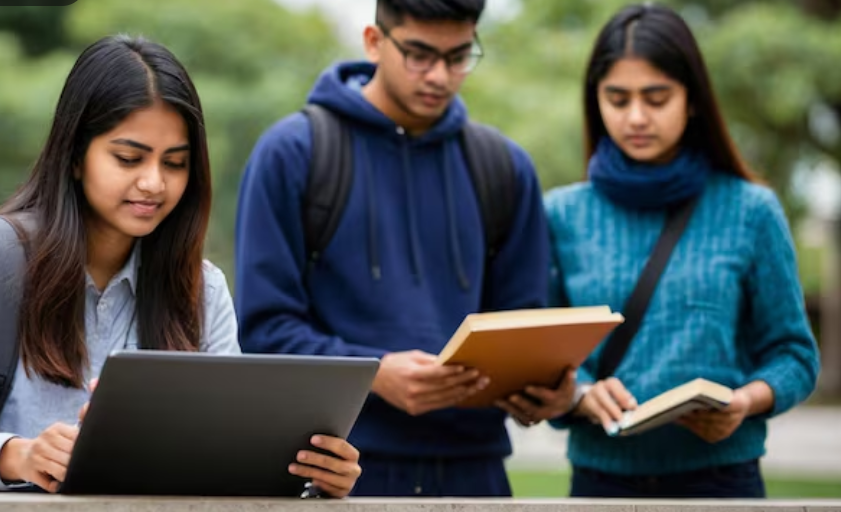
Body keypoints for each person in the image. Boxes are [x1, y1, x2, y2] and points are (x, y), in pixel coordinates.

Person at [0, 35, 361, 497]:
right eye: (129, 158)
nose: (154, 183)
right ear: (75, 156)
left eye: (175, 163)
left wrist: (313, 481)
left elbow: (231, 463)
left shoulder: (202, 290)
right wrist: (15, 455)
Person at [234, 0, 576, 498]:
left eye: (458, 56)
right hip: (338, 472)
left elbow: (522, 328)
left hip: (476, 475)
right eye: (419, 55)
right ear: (374, 42)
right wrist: (373, 373)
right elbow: (264, 332)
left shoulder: (506, 167)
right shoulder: (293, 153)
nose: (439, 75)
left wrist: (549, 389)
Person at [543, 3, 821, 498]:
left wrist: (744, 402)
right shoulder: (561, 214)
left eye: (657, 98)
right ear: (595, 101)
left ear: (692, 100)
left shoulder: (751, 210)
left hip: (723, 482)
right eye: (617, 99)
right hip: (600, 482)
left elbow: (795, 355)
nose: (636, 117)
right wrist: (582, 393)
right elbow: (539, 354)